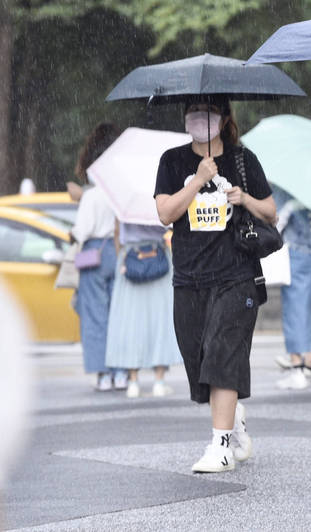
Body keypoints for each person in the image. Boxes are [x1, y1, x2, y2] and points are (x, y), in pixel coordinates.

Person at [154, 96, 276, 473]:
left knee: (223, 355)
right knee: (200, 362)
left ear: (223, 119)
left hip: (235, 274)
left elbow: (270, 211)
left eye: (207, 113)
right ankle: (231, 415)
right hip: (189, 276)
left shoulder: (243, 159)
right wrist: (199, 181)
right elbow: (164, 214)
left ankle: (220, 446)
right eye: (193, 113)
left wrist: (245, 198)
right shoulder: (172, 161)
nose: (199, 120)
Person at [71, 123, 126, 392]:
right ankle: (122, 373)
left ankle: (103, 376)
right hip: (119, 252)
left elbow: (81, 231)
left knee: (95, 317)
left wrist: (71, 234)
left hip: (93, 255)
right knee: (119, 315)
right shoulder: (121, 190)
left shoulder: (91, 196)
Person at [104, 222, 183, 397]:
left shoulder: (124, 203)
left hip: (130, 257)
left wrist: (122, 257)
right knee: (160, 321)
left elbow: (117, 233)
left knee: (130, 323)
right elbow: (170, 225)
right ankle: (159, 382)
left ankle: (133, 382)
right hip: (158, 258)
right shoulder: (156, 199)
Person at [272, 186, 311, 390]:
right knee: (308, 308)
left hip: (295, 253)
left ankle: (297, 368)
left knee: (293, 310)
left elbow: (276, 221)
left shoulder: (285, 189)